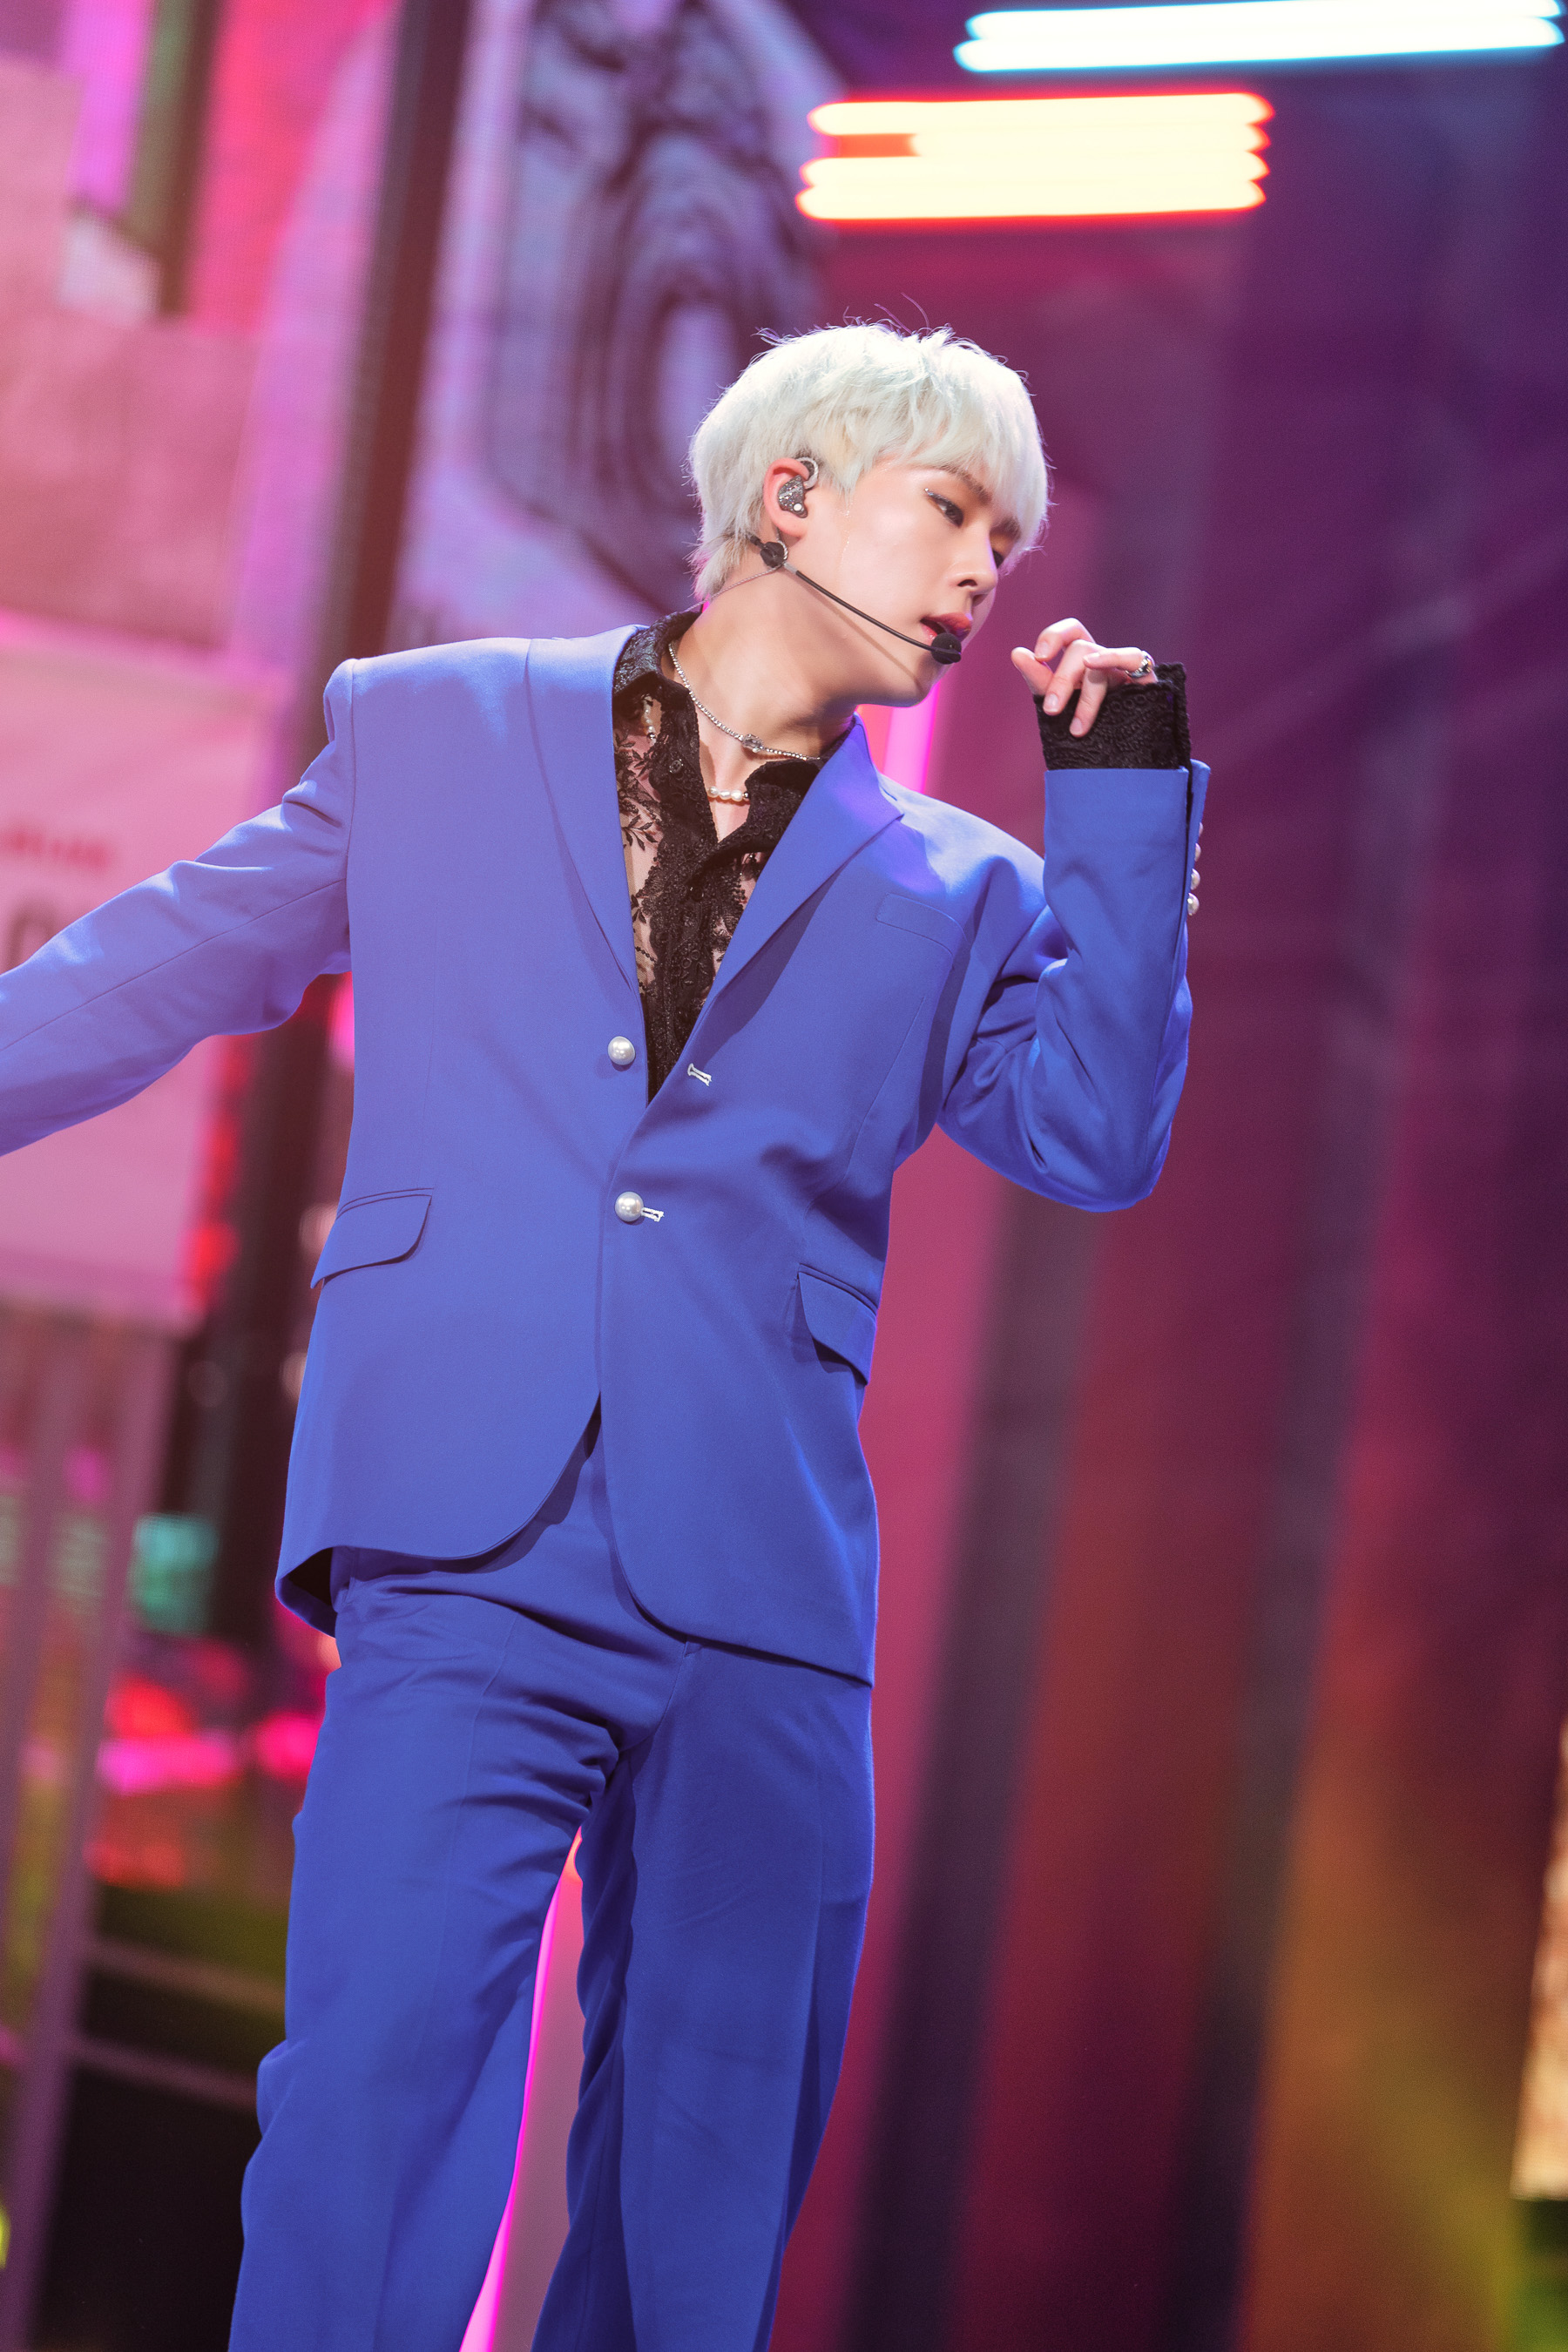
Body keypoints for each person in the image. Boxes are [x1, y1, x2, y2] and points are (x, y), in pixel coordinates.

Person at [0, 323, 1206, 2350]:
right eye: (950, 512)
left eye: (1007, 541)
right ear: (792, 498)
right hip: (467, 1527)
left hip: (764, 1582)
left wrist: (1125, 800)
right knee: (374, 2112)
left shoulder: (969, 888)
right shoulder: (438, 731)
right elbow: (155, 965)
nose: (982, 573)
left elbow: (1095, 1135)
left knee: (701, 2181)